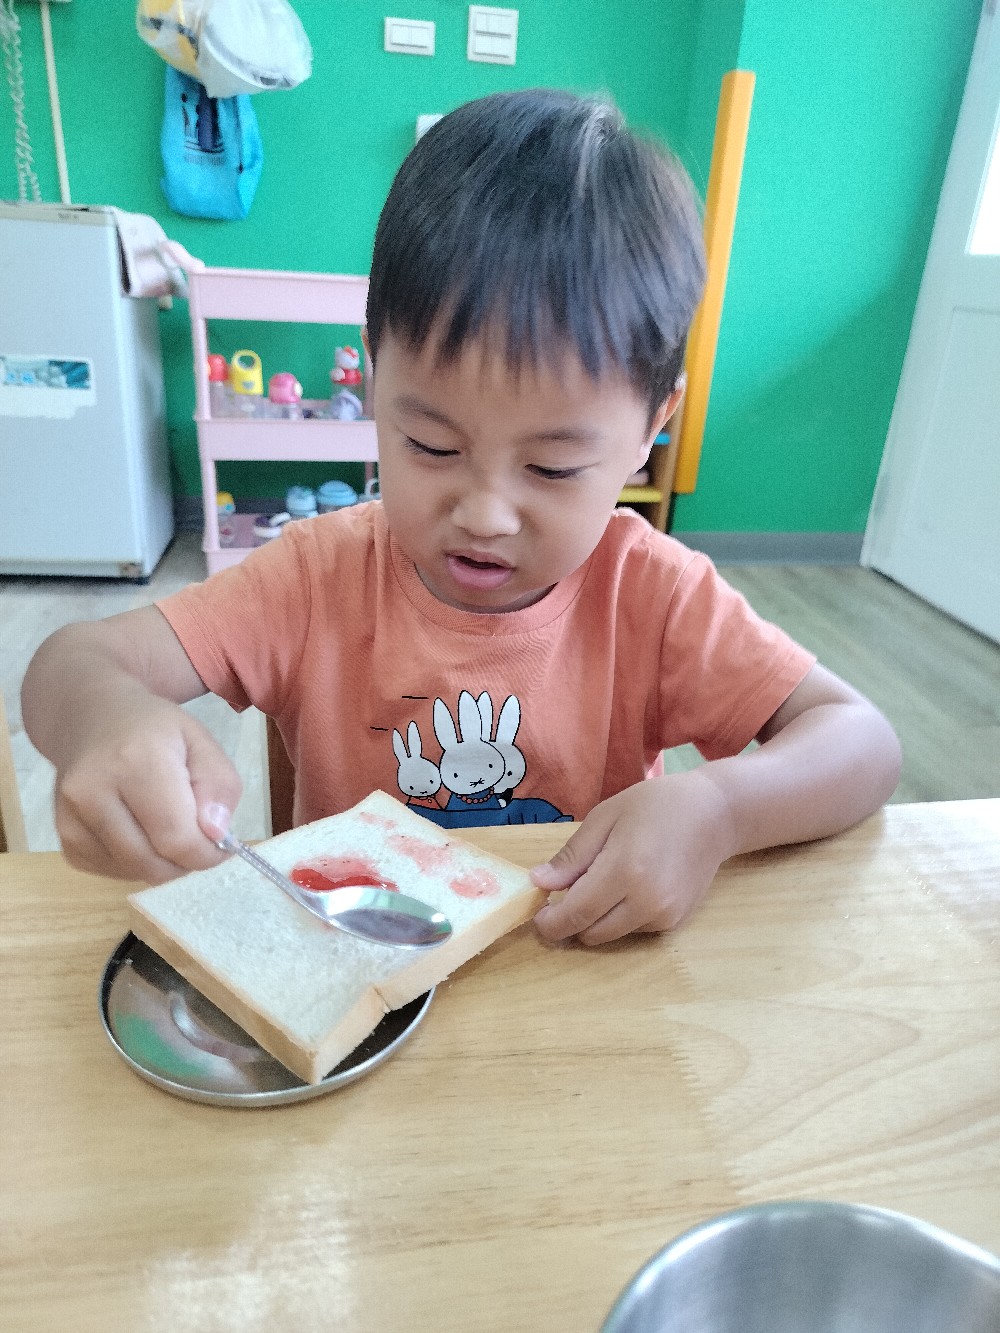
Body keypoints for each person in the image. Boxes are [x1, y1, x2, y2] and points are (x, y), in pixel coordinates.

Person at [21, 89, 901, 946]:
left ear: (650, 427)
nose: (484, 513)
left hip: (574, 980)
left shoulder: (652, 594)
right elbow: (74, 661)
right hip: (356, 967)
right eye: (432, 445)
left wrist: (718, 808)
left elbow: (861, 741)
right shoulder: (316, 576)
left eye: (552, 467)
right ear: (375, 380)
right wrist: (105, 721)